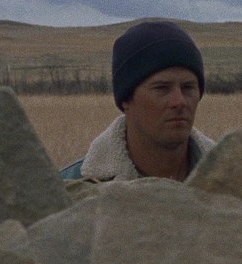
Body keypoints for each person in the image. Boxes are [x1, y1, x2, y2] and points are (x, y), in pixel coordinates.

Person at [60, 21, 215, 181]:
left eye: (188, 87)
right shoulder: (72, 187)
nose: (179, 101)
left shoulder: (230, 180)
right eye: (162, 88)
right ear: (126, 99)